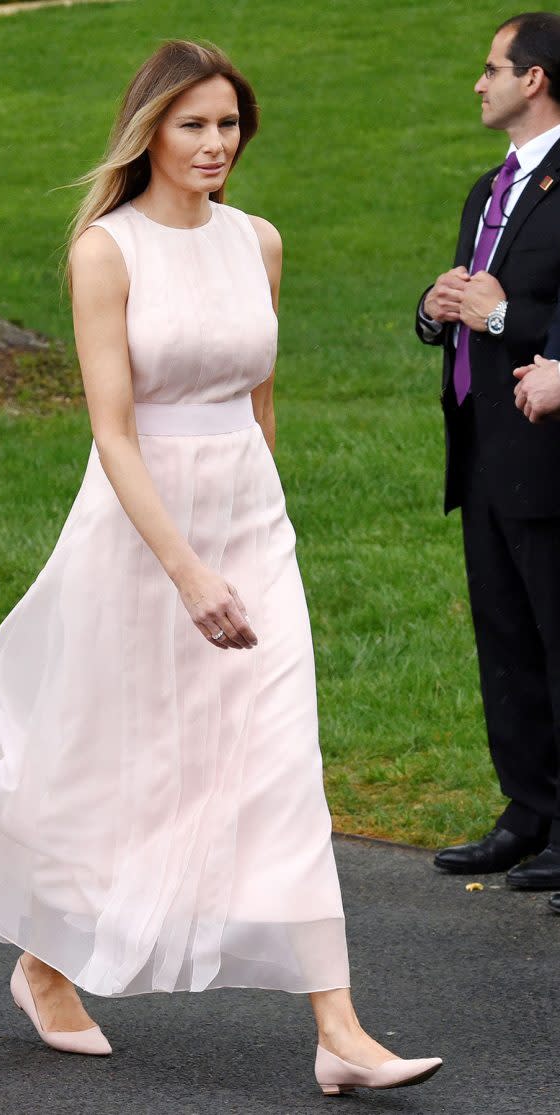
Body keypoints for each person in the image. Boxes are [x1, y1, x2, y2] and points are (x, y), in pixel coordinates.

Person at [0, 41, 441, 1095]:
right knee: (119, 758)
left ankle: (339, 1029)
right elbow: (114, 430)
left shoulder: (260, 241)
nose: (217, 144)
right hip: (139, 530)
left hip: (252, 527)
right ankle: (43, 963)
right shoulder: (106, 251)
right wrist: (186, 569)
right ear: (151, 132)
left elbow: (261, 403)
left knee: (277, 756)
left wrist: (261, 531)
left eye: (229, 125)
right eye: (195, 125)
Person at [416, 12, 560, 908]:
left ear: (536, 79)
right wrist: (438, 309)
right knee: (504, 637)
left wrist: (500, 319)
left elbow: (520, 314)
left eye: (492, 68)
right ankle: (528, 810)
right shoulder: (488, 188)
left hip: (550, 450)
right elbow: (476, 304)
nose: (480, 83)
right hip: (482, 447)